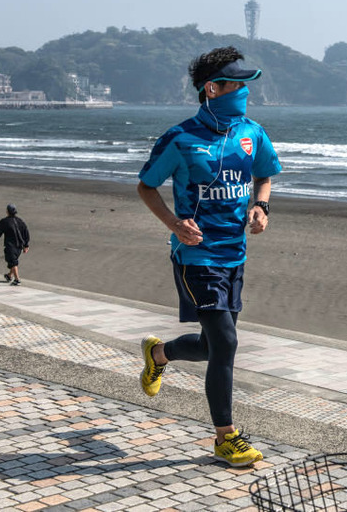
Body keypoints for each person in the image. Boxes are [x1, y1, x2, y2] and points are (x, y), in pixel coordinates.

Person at [136, 46, 281, 468]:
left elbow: (264, 175)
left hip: (235, 255)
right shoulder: (180, 139)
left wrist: (261, 206)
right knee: (228, 343)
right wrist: (174, 223)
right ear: (211, 89)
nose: (243, 91)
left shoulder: (252, 132)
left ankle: (158, 355)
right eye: (235, 84)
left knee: (213, 346)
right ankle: (225, 438)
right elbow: (146, 186)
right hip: (195, 257)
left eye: (246, 84)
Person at [0, 203, 30, 286]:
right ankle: (9, 276)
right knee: (13, 262)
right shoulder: (20, 221)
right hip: (19, 246)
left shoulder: (4, 222)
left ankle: (17, 279)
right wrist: (26, 245)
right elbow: (26, 232)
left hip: (10, 246)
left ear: (7, 211)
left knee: (13, 262)